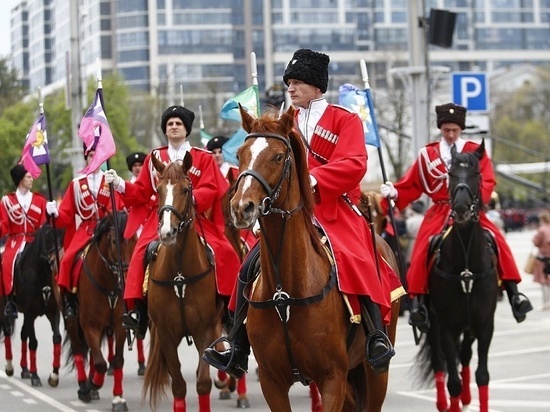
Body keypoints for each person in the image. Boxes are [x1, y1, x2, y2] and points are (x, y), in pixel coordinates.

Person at [203, 48, 403, 378]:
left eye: (296, 82)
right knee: (249, 267)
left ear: (315, 84)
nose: (291, 89)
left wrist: (315, 177)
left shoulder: (344, 119)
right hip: (287, 214)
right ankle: (236, 343)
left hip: (334, 208)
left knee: (358, 258)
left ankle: (375, 335)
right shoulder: (283, 124)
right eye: (288, 83)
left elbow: (354, 164)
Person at [380, 102, 533, 332]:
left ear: (461, 129)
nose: (451, 135)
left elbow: (488, 180)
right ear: (441, 129)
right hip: (440, 210)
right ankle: (419, 303)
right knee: (422, 249)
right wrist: (395, 192)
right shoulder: (427, 154)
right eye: (446, 130)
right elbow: (412, 184)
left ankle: (514, 293)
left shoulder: (475, 150)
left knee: (497, 240)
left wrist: (475, 201)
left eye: (455, 130)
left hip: (471, 210)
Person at [103, 105, 241, 339]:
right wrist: (119, 184)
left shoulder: (203, 157)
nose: (174, 127)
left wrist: (192, 198)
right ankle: (136, 311)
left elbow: (212, 187)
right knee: (139, 254)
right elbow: (141, 192)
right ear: (165, 130)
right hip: (161, 221)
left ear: (186, 129)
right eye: (169, 124)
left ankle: (230, 308)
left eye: (178, 123)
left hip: (194, 219)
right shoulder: (154, 158)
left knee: (226, 252)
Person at [46, 145, 123, 319]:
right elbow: (66, 215)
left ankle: (128, 299)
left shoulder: (110, 180)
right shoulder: (76, 184)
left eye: (97, 154)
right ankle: (70, 300)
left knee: (124, 256)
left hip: (106, 230)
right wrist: (54, 212)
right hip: (85, 231)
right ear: (86, 157)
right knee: (66, 260)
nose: (93, 158)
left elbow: (117, 207)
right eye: (90, 155)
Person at [0, 164, 48, 318]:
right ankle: (10, 300)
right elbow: (5, 227)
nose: (31, 179)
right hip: (15, 241)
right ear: (21, 180)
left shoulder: (40, 200)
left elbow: (43, 224)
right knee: (6, 264)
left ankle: (54, 296)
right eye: (28, 177)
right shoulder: (7, 201)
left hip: (34, 240)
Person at [533, 210, 550, 310]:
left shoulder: (541, 230)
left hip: (543, 258)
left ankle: (546, 302)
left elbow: (536, 242)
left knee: (544, 282)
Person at [405, 200, 425, 269]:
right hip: (422, 242)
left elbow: (406, 232)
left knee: (409, 262)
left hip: (411, 241)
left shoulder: (409, 221)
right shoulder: (425, 219)